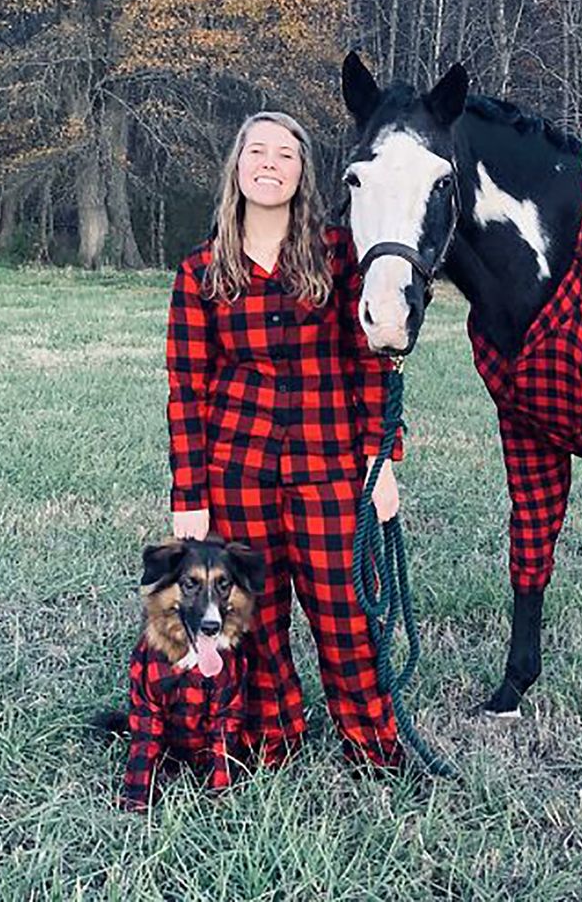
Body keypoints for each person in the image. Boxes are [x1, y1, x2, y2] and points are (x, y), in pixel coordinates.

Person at [165, 110, 403, 769]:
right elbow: (187, 388)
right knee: (254, 615)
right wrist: (190, 493)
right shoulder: (200, 270)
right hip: (236, 470)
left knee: (346, 611)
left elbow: (370, 364)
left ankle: (371, 740)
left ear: (302, 174)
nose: (270, 164)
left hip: (328, 468)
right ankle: (274, 735)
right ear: (237, 167)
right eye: (258, 152)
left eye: (286, 155)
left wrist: (382, 458)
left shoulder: (340, 256)